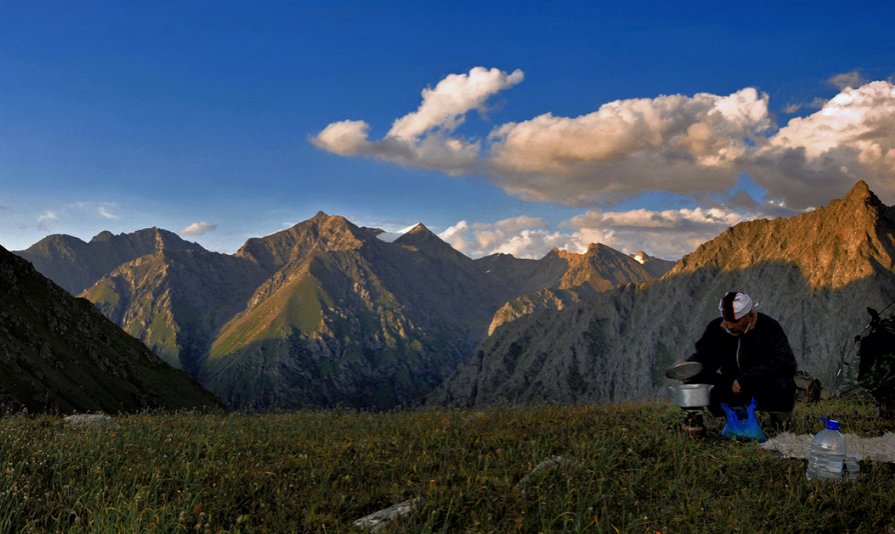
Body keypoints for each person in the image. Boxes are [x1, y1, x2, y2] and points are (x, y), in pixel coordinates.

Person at [681, 291, 797, 417]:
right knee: (694, 376)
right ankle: (695, 421)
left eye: (736, 322)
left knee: (785, 384)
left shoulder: (769, 328)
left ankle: (773, 420)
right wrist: (689, 365)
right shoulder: (717, 328)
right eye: (726, 321)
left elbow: (785, 363)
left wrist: (747, 379)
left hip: (761, 384)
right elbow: (705, 357)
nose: (730, 326)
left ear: (750, 316)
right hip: (731, 385)